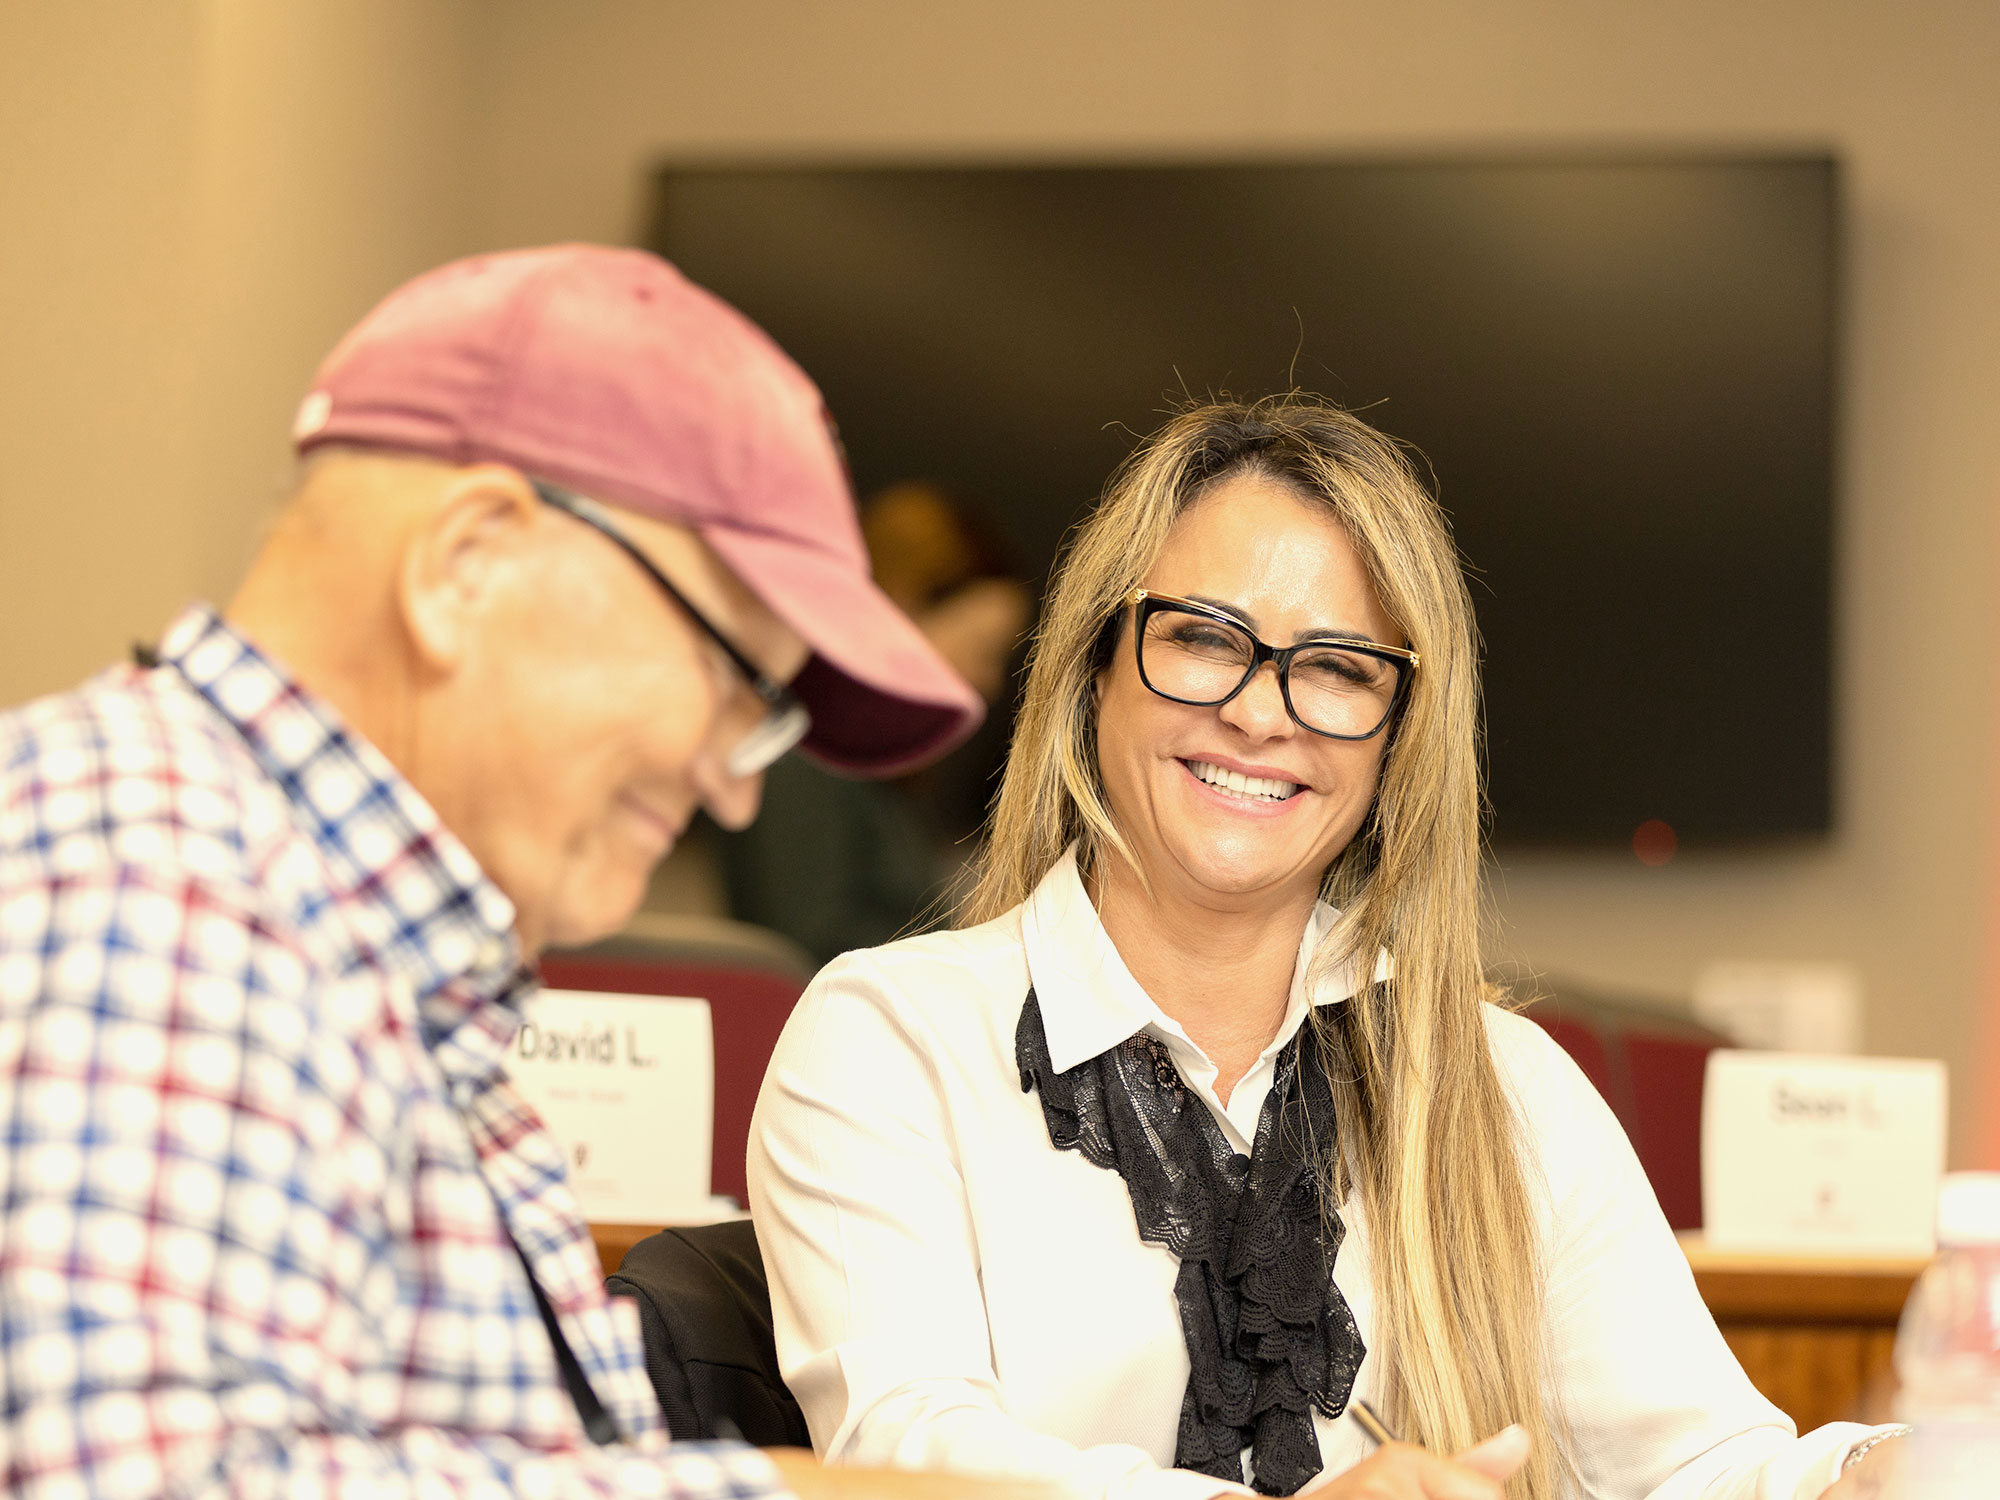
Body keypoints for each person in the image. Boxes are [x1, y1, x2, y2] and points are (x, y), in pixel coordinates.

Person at [0, 244, 1042, 1499]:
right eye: (729, 676)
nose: (735, 784)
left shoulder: (326, 940)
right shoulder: (157, 894)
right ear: (468, 561)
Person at [747, 397, 1906, 1500]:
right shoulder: (887, 1039)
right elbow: (901, 1461)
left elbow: (1701, 1470)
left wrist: (1887, 1471)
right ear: (1092, 670)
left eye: (1341, 668)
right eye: (1203, 639)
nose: (1262, 713)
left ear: (1400, 741)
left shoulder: (1503, 1090)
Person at [720, 481, 1030, 963]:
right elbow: (804, 944)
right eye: (978, 652)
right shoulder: (811, 749)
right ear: (900, 609)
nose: (986, 684)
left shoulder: (882, 765)